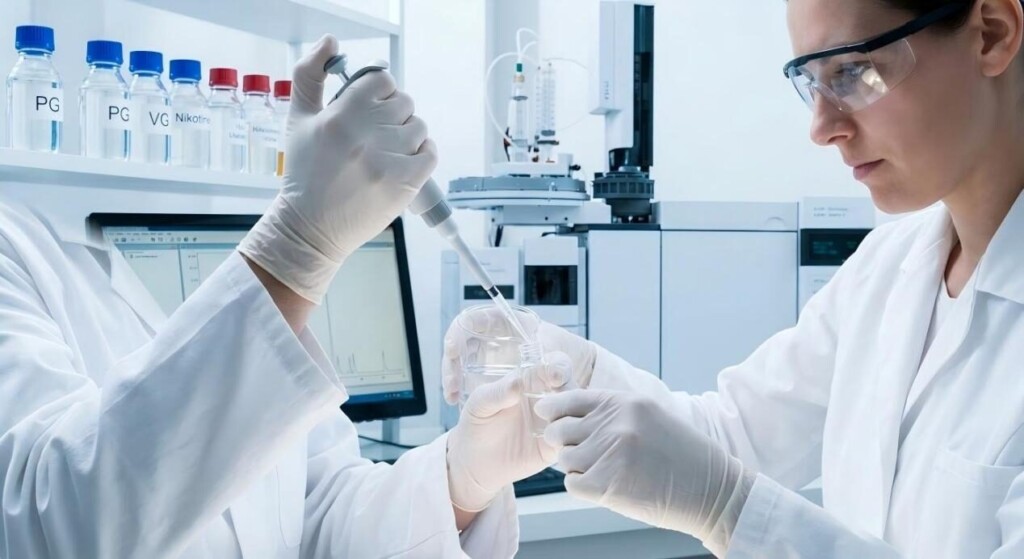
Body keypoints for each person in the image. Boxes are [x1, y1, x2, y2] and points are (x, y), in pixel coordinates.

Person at [443, 0, 1024, 556]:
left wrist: (726, 507)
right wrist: (572, 366)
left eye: (853, 72)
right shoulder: (887, 268)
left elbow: (720, 480)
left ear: (992, 34)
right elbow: (731, 441)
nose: (822, 128)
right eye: (812, 83)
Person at [0, 35, 564, 558]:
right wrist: (296, 244)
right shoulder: (20, 257)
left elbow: (320, 511)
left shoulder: (235, 269)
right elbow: (53, 527)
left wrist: (463, 479)